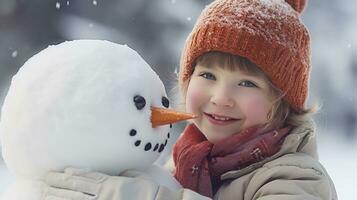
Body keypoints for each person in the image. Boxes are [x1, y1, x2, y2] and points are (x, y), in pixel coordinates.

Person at [42, 0, 338, 199]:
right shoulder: (184, 161)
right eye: (208, 75)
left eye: (247, 83)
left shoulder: (298, 177)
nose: (221, 98)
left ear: (281, 103)